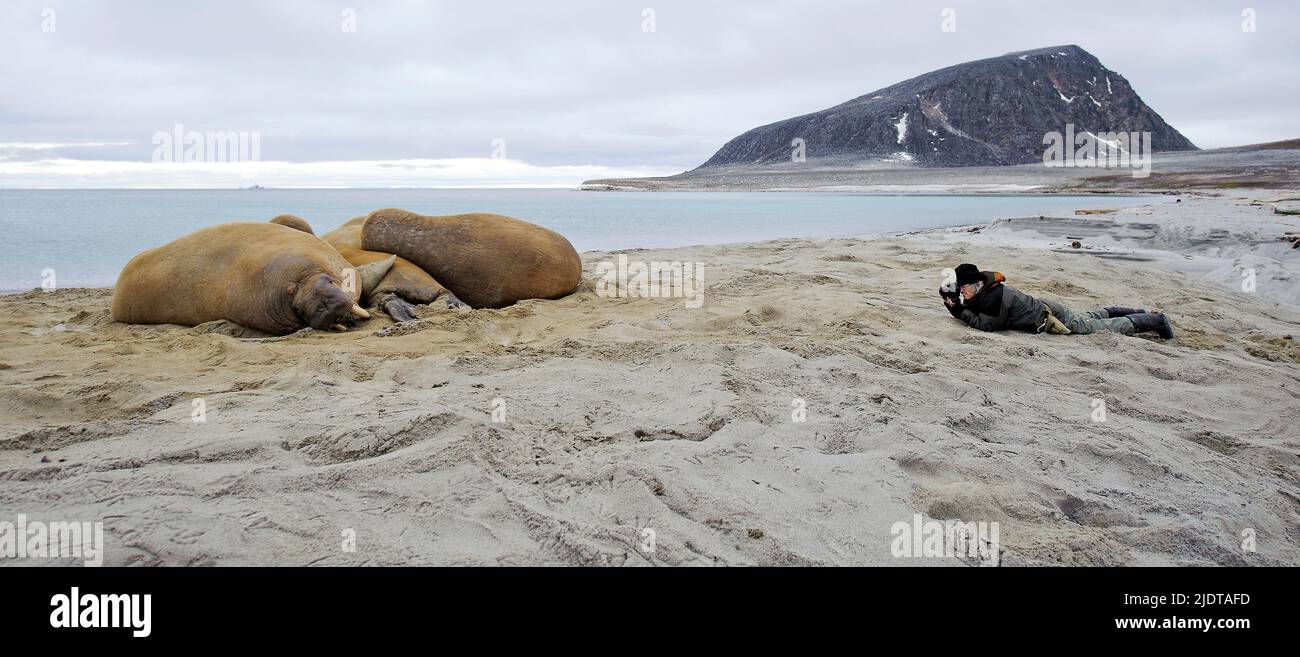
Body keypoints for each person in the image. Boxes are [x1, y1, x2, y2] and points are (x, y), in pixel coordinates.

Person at [940, 263, 1174, 339]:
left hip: (1050, 316)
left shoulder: (994, 297)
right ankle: (1138, 310)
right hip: (1048, 307)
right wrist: (956, 303)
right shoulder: (987, 289)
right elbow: (976, 308)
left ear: (977, 285)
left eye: (964, 287)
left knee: (1096, 327)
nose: (962, 291)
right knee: (1090, 316)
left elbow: (989, 325)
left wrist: (959, 311)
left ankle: (1155, 320)